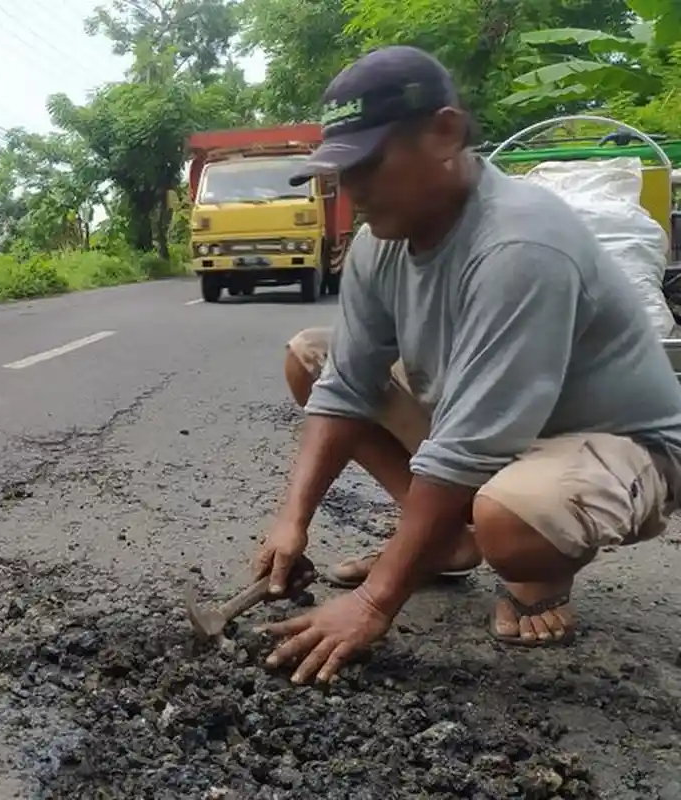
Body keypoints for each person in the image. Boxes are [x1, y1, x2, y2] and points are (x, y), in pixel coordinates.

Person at [252, 45, 681, 685]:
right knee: (311, 358)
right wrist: (292, 521)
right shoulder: (378, 244)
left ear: (445, 132)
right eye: (344, 172)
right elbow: (344, 386)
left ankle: (536, 567)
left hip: (614, 443)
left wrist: (374, 603)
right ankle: (448, 542)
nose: (354, 192)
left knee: (505, 517)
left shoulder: (519, 243)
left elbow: (465, 449)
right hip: (489, 426)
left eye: (370, 164)